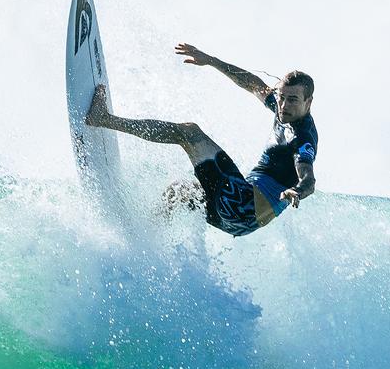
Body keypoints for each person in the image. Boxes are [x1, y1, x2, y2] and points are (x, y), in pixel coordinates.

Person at [85, 43, 318, 236]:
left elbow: (308, 176)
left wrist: (297, 191)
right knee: (179, 192)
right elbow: (253, 84)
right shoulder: (283, 110)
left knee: (189, 133)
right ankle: (143, 237)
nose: (284, 105)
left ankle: (102, 119)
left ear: (309, 102)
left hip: (243, 205)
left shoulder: (301, 137)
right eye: (281, 97)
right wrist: (211, 60)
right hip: (239, 222)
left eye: (293, 100)